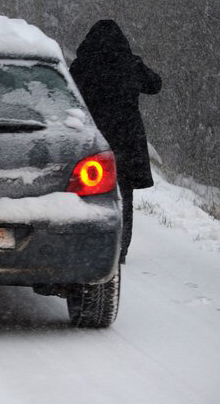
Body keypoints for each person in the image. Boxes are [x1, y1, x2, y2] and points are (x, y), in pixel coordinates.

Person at [69, 19, 162, 263]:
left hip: (94, 138)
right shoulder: (130, 65)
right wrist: (136, 64)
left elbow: (69, 95)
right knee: (125, 195)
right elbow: (155, 84)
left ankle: (89, 241)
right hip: (126, 139)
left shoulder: (82, 66)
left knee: (88, 192)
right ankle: (120, 248)